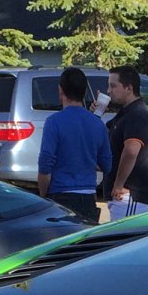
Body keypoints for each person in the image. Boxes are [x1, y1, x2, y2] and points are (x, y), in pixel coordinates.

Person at [37, 66, 111, 224]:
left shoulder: (54, 122)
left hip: (60, 195)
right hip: (88, 196)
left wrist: (43, 196)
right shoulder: (98, 125)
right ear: (84, 93)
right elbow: (107, 164)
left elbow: (45, 164)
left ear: (60, 90)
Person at [103, 65, 148, 218]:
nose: (108, 91)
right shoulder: (125, 114)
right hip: (123, 196)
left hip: (131, 195)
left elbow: (131, 151)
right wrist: (97, 112)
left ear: (129, 88)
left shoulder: (137, 115)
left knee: (125, 240)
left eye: (113, 86)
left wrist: (119, 184)